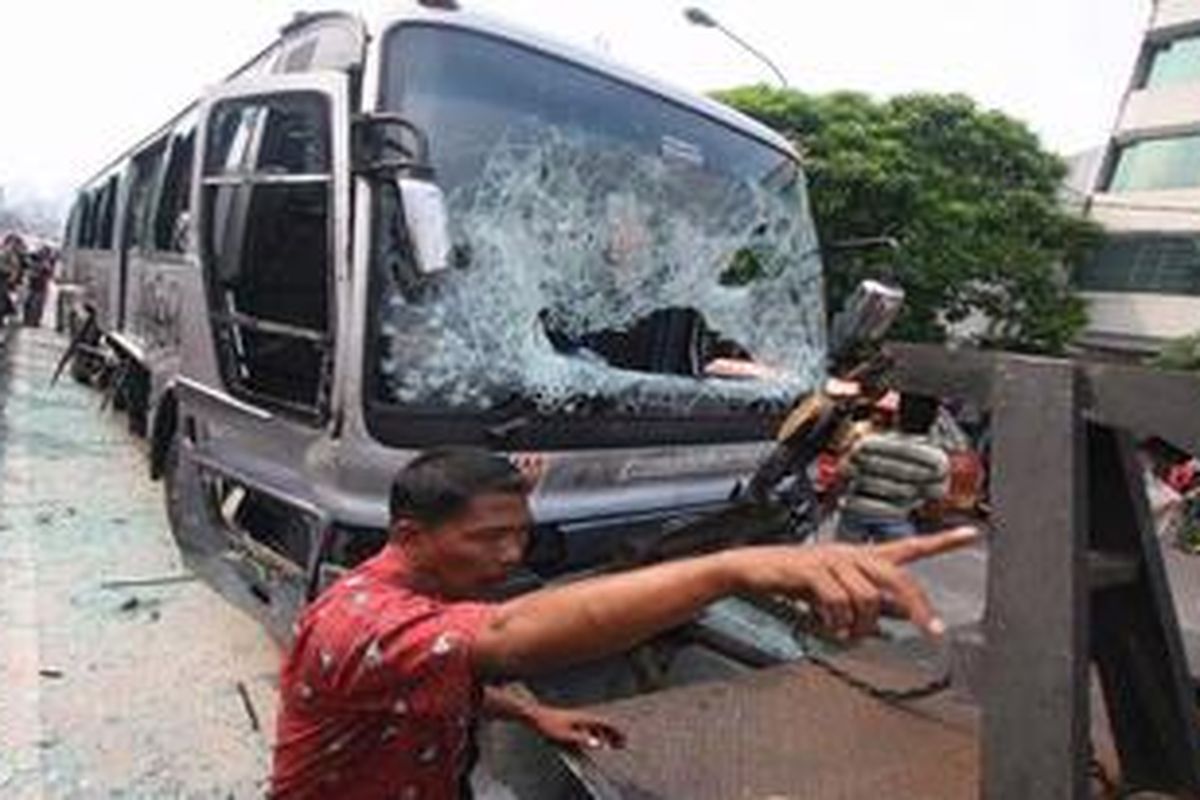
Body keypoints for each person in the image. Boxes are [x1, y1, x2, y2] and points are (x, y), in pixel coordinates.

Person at [270, 447, 976, 799]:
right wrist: (729, 569)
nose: (511, 554)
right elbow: (507, 635)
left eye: (519, 533)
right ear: (411, 536)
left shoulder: (425, 598)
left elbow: (444, 677)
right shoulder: (357, 622)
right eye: (487, 539)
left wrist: (530, 716)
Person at [838, 393, 951, 542]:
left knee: (845, 562)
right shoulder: (937, 459)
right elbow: (935, 503)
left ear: (898, 414)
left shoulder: (868, 443)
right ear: (933, 421)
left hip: (857, 511)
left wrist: (830, 506)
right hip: (898, 517)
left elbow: (843, 476)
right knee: (890, 563)